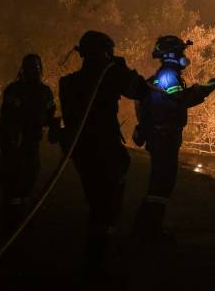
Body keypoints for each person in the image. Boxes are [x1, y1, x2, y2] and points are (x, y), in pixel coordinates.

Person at [58, 30, 150, 274]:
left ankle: (96, 255)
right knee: (107, 204)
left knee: (98, 202)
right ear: (104, 52)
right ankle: (98, 262)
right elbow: (141, 90)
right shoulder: (108, 75)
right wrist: (123, 68)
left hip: (80, 150)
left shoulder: (69, 83)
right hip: (103, 147)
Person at [131, 35, 215, 240]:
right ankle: (148, 231)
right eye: (181, 52)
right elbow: (180, 100)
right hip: (163, 138)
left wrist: (209, 85)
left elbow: (177, 98)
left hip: (162, 137)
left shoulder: (166, 75)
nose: (184, 56)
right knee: (161, 185)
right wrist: (209, 87)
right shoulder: (168, 75)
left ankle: (147, 229)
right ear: (173, 54)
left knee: (160, 185)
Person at [0, 54, 56, 235]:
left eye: (37, 68)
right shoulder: (14, 90)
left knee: (28, 181)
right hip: (15, 144)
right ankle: (11, 223)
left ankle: (22, 221)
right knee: (12, 183)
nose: (34, 71)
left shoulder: (44, 91)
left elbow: (48, 115)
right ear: (24, 70)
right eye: (31, 68)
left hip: (31, 144)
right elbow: (8, 116)